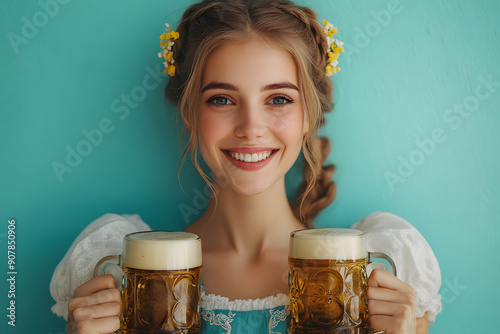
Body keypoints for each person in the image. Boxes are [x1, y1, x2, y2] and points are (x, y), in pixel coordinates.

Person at [50, 0, 442, 333]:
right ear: (191, 113)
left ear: (309, 114)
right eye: (222, 99)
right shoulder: (123, 275)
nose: (251, 129)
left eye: (279, 100)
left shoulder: (380, 274)